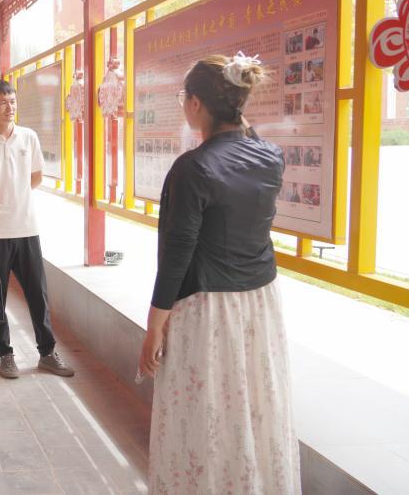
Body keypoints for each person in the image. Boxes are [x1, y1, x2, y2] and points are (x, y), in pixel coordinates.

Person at [140, 54, 299, 493]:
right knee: (256, 406)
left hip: (208, 310)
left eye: (183, 97)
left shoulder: (193, 167)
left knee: (206, 414)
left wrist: (154, 325)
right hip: (260, 304)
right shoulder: (271, 157)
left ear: (195, 104)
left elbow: (177, 254)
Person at [0, 79, 75, 380]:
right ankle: (5, 354)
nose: (9, 107)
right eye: (2, 102)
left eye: (12, 101)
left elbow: (36, 177)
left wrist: (15, 196)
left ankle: (47, 353)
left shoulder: (29, 137)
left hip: (27, 228)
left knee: (38, 293)